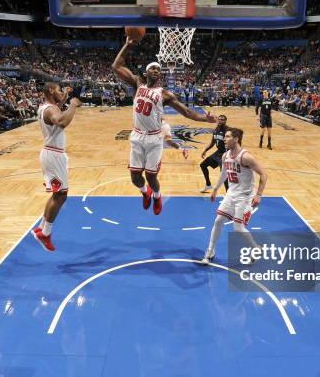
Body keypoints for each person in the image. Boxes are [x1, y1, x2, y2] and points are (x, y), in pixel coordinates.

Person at [112, 36, 216, 215]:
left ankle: (157, 196)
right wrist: (127, 45)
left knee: (151, 176)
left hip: (154, 138)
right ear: (146, 72)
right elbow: (116, 67)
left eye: (158, 69)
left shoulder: (165, 94)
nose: (156, 70)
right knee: (136, 178)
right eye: (152, 68)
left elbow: (187, 112)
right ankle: (145, 193)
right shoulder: (138, 83)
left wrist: (205, 119)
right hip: (137, 136)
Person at [201, 128, 267, 265]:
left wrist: (259, 195)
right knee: (218, 221)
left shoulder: (246, 157)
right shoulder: (225, 155)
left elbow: (264, 175)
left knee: (237, 228)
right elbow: (224, 173)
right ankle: (210, 251)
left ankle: (256, 248)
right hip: (231, 193)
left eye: (227, 137)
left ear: (236, 139)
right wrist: (215, 189)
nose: (224, 139)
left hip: (244, 196)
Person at [32, 83, 82, 252]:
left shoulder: (47, 107)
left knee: (57, 194)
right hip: (53, 155)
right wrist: (73, 104)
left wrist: (65, 97)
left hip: (51, 153)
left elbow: (57, 110)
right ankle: (45, 233)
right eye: (60, 90)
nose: (62, 92)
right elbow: (61, 120)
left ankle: (41, 227)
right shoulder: (49, 110)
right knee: (61, 196)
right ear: (51, 91)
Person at [200, 114, 229, 193]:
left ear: (225, 121)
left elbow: (233, 143)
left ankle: (228, 195)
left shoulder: (228, 131)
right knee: (203, 165)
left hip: (225, 154)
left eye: (222, 119)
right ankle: (208, 185)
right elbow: (212, 142)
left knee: (223, 175)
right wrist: (205, 150)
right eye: (219, 119)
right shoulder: (216, 129)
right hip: (218, 153)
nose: (220, 120)